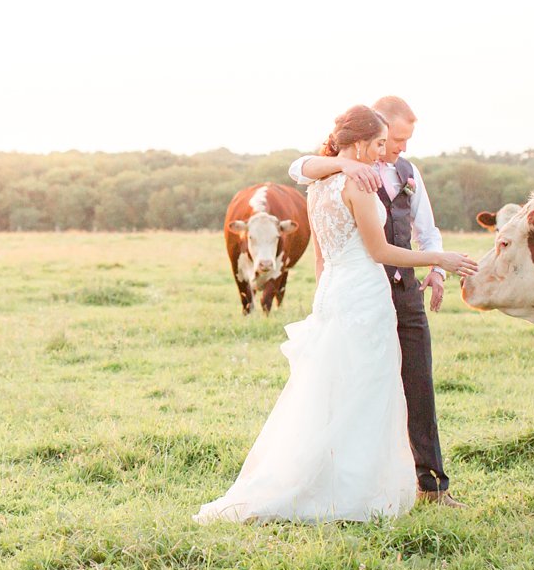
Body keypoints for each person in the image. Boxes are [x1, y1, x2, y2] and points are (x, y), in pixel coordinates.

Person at [195, 105, 477, 523]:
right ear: (363, 141)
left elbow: (326, 256)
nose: (389, 151)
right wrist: (442, 259)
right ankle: (353, 490)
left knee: (349, 391)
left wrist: (327, 295)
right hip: (365, 291)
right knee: (367, 392)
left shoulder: (322, 186)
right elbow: (379, 251)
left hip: (344, 291)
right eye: (384, 142)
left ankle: (416, 483)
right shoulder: (350, 180)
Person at [287, 95, 463, 506]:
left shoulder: (407, 171)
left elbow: (426, 227)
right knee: (360, 387)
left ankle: (432, 485)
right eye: (394, 138)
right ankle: (353, 483)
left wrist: (436, 269)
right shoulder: (335, 172)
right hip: (363, 292)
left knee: (418, 384)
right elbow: (298, 168)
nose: (399, 148)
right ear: (373, 133)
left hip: (402, 292)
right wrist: (345, 163)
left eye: (403, 140)